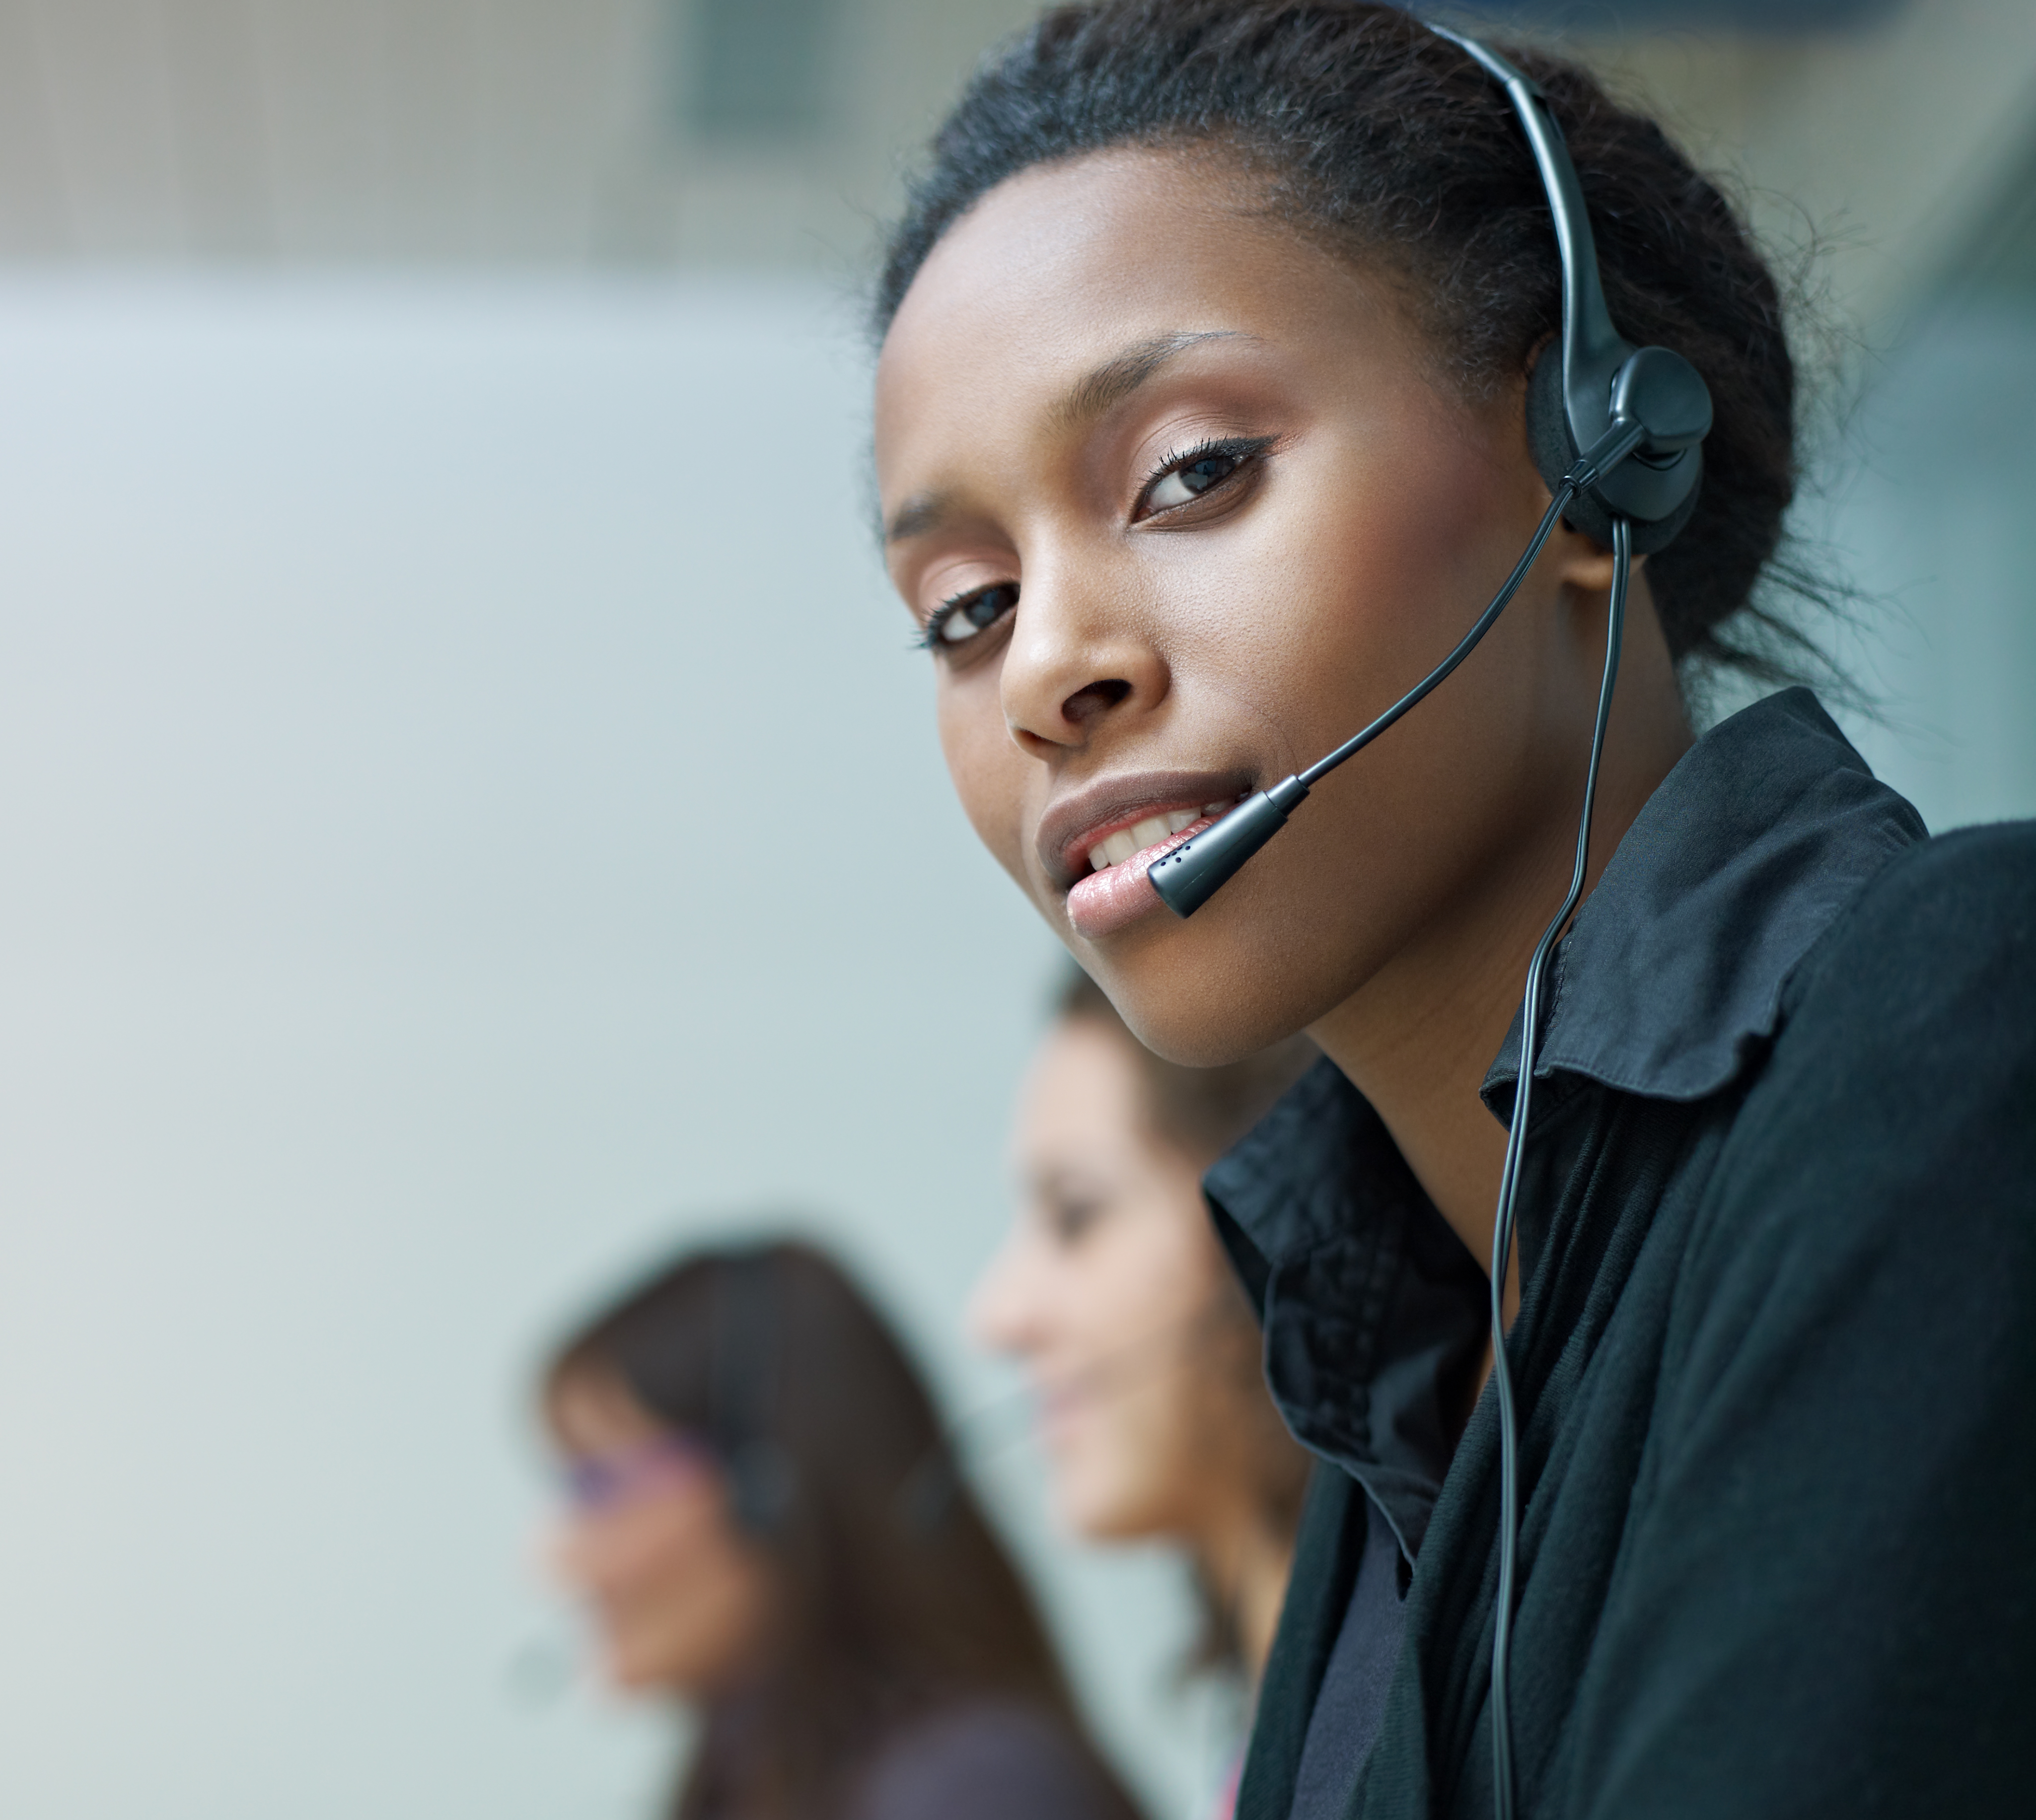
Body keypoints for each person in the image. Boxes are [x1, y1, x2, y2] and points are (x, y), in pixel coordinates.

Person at [867, 5, 2036, 1820]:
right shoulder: (1397, 1365)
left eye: (1191, 475)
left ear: (1592, 457)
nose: (1048, 671)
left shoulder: (1959, 1018)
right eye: (965, 604)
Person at [540, 1237, 1142, 1820]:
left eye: (599, 1487)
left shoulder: (966, 1788)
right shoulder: (750, 1782)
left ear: (765, 1494)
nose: (557, 1557)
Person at [974, 971, 1313, 1814]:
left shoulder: (1421, 1719)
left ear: (1274, 1225)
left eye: (1077, 1215)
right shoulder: (1282, 1731)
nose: (997, 1315)